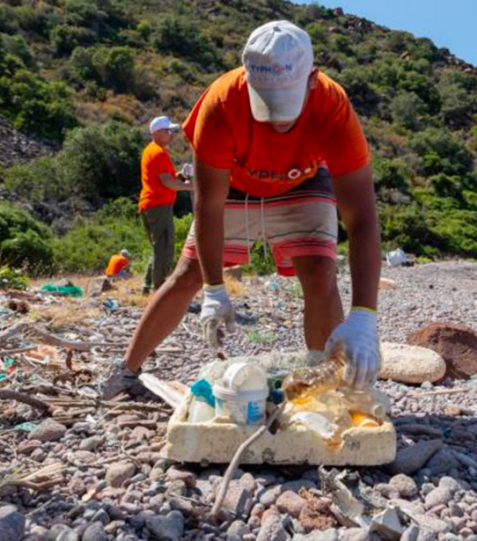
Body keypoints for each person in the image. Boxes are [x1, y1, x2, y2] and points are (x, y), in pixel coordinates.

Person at [101, 20, 382, 400]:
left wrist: (364, 315)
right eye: (267, 105)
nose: (277, 121)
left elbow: (362, 217)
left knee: (319, 272)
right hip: (236, 180)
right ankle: (125, 372)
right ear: (247, 79)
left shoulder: (333, 108)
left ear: (312, 79)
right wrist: (215, 289)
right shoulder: (220, 103)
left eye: (287, 106)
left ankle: (323, 387)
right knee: (188, 274)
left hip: (303, 178)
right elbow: (209, 205)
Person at [139, 115, 194, 295]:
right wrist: (193, 186)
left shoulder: (152, 151)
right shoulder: (159, 153)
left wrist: (181, 177)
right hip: (158, 205)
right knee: (164, 248)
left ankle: (148, 287)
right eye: (168, 131)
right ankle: (160, 291)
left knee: (159, 247)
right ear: (158, 133)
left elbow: (166, 179)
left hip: (152, 204)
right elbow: (168, 183)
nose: (172, 134)